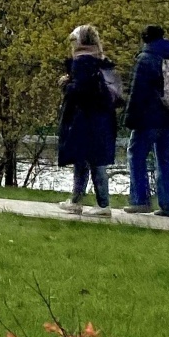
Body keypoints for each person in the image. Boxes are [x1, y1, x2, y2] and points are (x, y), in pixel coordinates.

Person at [123, 25, 169, 217]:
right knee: (167, 160)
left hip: (149, 118)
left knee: (136, 155)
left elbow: (138, 92)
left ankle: (139, 200)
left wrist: (129, 118)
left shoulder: (145, 59)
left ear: (145, 39)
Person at [56, 25, 120, 217]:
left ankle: (101, 204)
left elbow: (81, 91)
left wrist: (66, 84)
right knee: (88, 160)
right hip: (103, 117)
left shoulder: (82, 62)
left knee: (88, 160)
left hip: (85, 118)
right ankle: (77, 200)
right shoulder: (101, 61)